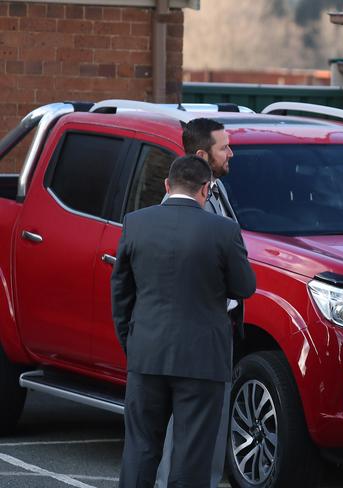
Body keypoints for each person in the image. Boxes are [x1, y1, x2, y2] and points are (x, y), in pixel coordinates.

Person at [111, 155, 256, 487]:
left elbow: (121, 291)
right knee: (192, 456)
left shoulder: (136, 222)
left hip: (147, 353)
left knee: (140, 450)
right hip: (202, 360)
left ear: (166, 185)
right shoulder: (224, 230)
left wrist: (131, 342)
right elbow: (245, 286)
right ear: (206, 189)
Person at [156, 118, 240, 488]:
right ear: (203, 154)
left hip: (217, 329)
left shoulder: (217, 191)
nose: (231, 152)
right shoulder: (176, 209)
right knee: (183, 426)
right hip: (192, 334)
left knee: (211, 423)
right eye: (224, 147)